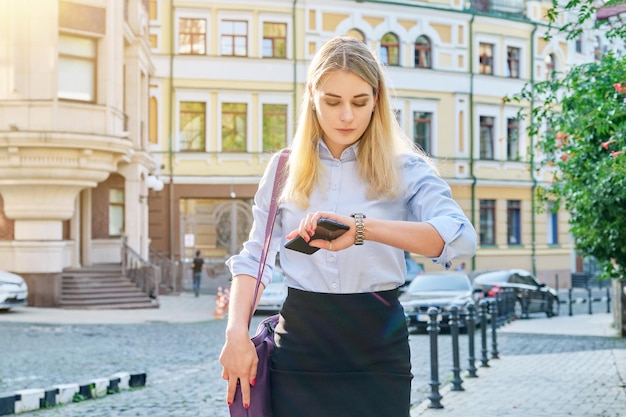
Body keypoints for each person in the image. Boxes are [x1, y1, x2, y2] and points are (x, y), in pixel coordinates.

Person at [219, 36, 477, 417]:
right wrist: (235, 333)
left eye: (359, 102)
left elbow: (462, 239)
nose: (346, 116)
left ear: (376, 99)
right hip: (300, 349)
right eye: (332, 101)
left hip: (378, 348)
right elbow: (254, 257)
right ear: (311, 95)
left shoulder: (407, 169)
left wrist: (362, 229)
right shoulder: (283, 170)